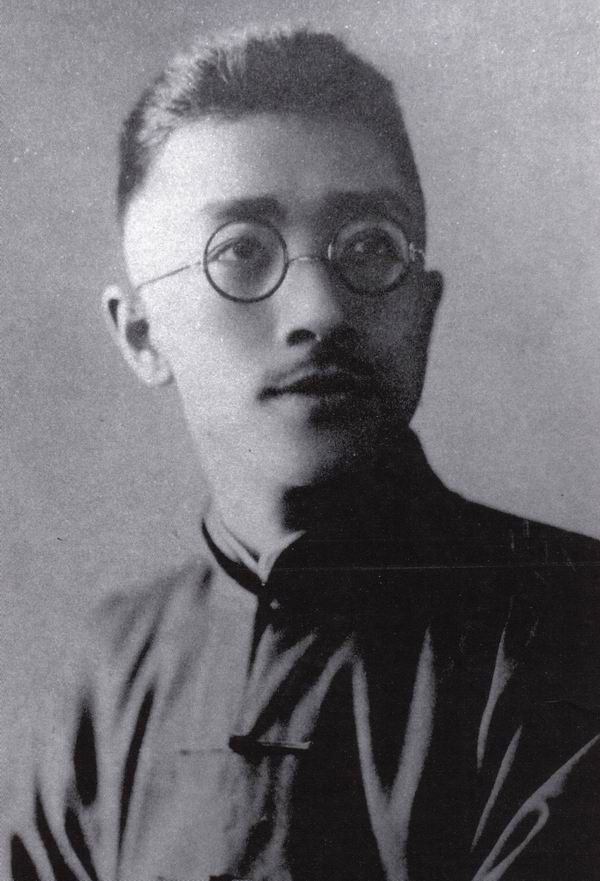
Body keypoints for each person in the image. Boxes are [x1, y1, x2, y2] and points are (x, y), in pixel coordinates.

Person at [5, 25, 600, 881]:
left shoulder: (571, 625)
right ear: (142, 335)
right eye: (241, 252)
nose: (321, 310)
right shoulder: (107, 673)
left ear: (424, 309)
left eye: (371, 246)